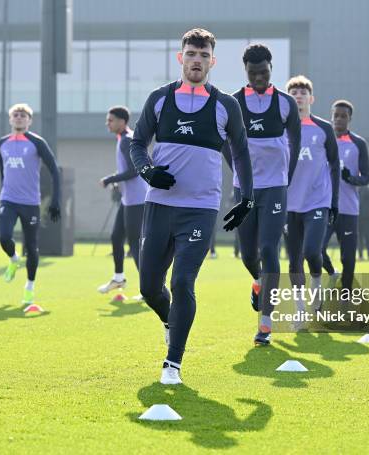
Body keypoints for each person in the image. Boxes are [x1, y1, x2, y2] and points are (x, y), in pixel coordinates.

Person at [130, 28, 254, 385]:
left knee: (183, 281)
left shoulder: (225, 105)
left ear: (212, 61)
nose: (196, 61)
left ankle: (173, 363)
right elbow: (137, 144)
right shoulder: (159, 99)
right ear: (180, 58)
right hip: (159, 205)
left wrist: (247, 196)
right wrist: (148, 172)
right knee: (149, 287)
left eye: (203, 56)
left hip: (199, 210)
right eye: (190, 54)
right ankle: (171, 320)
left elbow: (241, 153)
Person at [223, 43, 300, 345]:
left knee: (269, 249)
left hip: (275, 188)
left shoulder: (285, 103)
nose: (259, 77)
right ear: (246, 71)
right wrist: (240, 175)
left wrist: (287, 178)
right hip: (245, 190)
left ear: (271, 69)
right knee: (248, 254)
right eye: (253, 73)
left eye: (264, 72)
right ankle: (259, 283)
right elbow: (222, 143)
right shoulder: (233, 103)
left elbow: (295, 142)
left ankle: (265, 322)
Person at [0, 103, 61, 305]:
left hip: (30, 202)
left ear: (29, 120)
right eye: (15, 114)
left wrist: (56, 200)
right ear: (10, 119)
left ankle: (29, 287)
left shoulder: (37, 142)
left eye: (23, 115)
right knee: (4, 237)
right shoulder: (2, 144)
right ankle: (14, 259)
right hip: (8, 199)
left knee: (31, 247)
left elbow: (54, 170)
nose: (19, 117)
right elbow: (2, 173)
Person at [285, 76, 339, 313]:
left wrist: (334, 202)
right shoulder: (281, 128)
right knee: (294, 259)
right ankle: (300, 309)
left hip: (317, 202)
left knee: (311, 252)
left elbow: (335, 164)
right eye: (294, 92)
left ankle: (317, 294)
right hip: (288, 204)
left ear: (311, 98)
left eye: (303, 92)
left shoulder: (324, 128)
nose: (298, 95)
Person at [321, 100, 369, 296]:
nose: (339, 119)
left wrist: (350, 178)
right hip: (323, 207)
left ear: (350, 119)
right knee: (315, 250)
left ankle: (346, 295)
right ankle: (332, 273)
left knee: (348, 258)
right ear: (331, 117)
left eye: (344, 116)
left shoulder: (358, 144)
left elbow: (366, 177)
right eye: (336, 115)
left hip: (348, 210)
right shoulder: (322, 140)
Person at [97, 106, 147, 295]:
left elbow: (134, 171)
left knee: (134, 244)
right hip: (128, 199)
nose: (107, 123)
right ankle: (118, 278)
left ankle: (148, 288)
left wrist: (110, 179)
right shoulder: (123, 139)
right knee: (116, 237)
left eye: (110, 120)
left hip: (137, 200)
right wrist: (118, 184)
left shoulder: (127, 140)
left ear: (122, 121)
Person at [358, 186, 369, 261]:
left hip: (360, 217)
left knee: (360, 238)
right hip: (366, 217)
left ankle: (361, 255)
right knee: (367, 238)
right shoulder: (367, 190)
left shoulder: (358, 190)